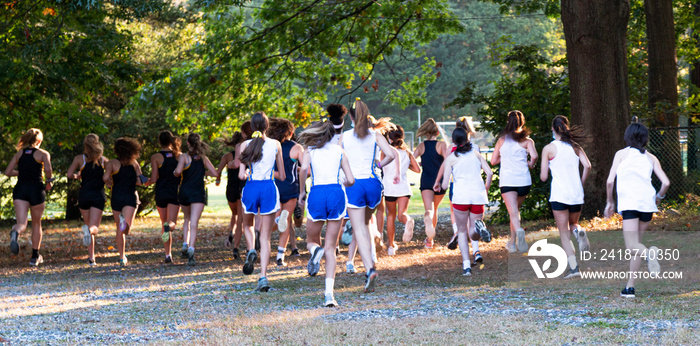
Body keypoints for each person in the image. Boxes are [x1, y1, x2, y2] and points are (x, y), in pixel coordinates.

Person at [604, 122, 669, 298]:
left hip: (630, 204)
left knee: (632, 246)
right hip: (647, 205)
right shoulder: (651, 158)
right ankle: (630, 287)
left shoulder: (621, 154)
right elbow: (666, 183)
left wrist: (610, 202)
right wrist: (659, 197)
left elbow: (610, 181)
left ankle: (650, 254)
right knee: (636, 246)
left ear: (627, 137)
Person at [340, 98, 397, 293]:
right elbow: (392, 155)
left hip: (354, 184)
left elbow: (338, 159)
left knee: (359, 230)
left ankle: (370, 269)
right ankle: (374, 244)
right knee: (366, 223)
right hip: (373, 184)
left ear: (351, 116)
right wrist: (378, 166)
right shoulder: (375, 135)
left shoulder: (345, 136)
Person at [298, 120, 355, 307]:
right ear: (332, 135)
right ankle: (329, 295)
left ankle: (315, 251)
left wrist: (301, 192)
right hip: (336, 194)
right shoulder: (340, 151)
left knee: (311, 240)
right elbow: (351, 180)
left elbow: (304, 170)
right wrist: (344, 182)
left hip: (317, 193)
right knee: (331, 248)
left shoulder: (310, 151)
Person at [239, 112, 286, 292]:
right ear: (267, 126)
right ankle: (263, 277)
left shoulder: (245, 145)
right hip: (268, 188)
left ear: (252, 126)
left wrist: (249, 173)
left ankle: (251, 248)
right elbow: (282, 175)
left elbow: (240, 174)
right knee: (265, 237)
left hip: (251, 187)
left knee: (247, 225)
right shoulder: (276, 145)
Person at [540, 116, 591, 278]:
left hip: (559, 195)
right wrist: (581, 182)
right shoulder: (575, 146)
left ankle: (574, 268)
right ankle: (579, 232)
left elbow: (543, 177)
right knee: (573, 224)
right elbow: (588, 166)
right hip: (576, 193)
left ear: (553, 129)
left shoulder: (549, 148)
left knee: (563, 233)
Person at [440, 127, 493, 276]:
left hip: (460, 197)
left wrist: (441, 186)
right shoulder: (475, 154)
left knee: (462, 231)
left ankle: (466, 266)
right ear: (467, 139)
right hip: (477, 195)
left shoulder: (451, 158)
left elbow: (444, 185)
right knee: (472, 231)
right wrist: (485, 189)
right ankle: (478, 229)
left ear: (453, 140)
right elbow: (489, 173)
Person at [490, 110, 538, 253]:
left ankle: (518, 231)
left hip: (508, 182)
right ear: (522, 123)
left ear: (507, 122)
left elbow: (493, 161)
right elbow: (534, 156)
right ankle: (512, 243)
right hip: (524, 181)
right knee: (515, 212)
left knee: (513, 212)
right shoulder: (527, 141)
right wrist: (530, 163)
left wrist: (503, 158)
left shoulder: (502, 140)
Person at [5, 129, 53, 266]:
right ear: (39, 141)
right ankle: (35, 257)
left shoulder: (19, 153)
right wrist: (49, 182)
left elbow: (8, 172)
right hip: (36, 190)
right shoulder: (43, 154)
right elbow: (48, 170)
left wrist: (21, 172)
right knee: (36, 223)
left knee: (22, 223)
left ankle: (16, 232)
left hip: (20, 190)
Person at [174, 133, 218, 266]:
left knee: (186, 219)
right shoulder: (204, 158)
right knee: (194, 222)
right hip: (198, 193)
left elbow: (178, 172)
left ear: (188, 143)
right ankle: (192, 249)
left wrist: (174, 172)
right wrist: (203, 172)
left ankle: (185, 244)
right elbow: (216, 173)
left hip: (185, 192)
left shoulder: (184, 157)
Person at [267, 118, 304, 266]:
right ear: (290, 132)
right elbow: (305, 167)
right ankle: (280, 257)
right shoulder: (296, 147)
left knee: (274, 222)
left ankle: (276, 220)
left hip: (274, 186)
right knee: (287, 222)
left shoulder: (270, 146)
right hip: (290, 186)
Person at [67, 134, 107, 266]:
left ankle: (91, 257)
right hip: (98, 196)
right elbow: (110, 175)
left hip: (84, 195)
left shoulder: (80, 159)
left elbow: (69, 174)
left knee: (89, 223)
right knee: (94, 228)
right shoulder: (103, 160)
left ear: (85, 145)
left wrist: (78, 176)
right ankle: (89, 234)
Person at [103, 138, 144, 266]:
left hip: (116, 196)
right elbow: (140, 179)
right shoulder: (134, 163)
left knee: (119, 230)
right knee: (126, 229)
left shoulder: (111, 163)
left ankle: (122, 257)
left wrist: (109, 182)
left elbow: (105, 177)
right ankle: (124, 223)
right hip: (130, 196)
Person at [382, 125, 420, 255]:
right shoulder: (407, 152)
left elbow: (381, 165)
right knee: (402, 214)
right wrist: (405, 165)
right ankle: (408, 221)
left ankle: (391, 247)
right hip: (403, 186)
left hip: (390, 187)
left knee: (391, 216)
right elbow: (417, 169)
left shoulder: (385, 151)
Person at [145, 131, 181, 264]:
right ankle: (169, 226)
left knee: (163, 222)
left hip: (161, 192)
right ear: (172, 141)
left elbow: (154, 178)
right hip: (174, 192)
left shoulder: (155, 157)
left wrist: (145, 181)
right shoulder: (179, 156)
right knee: (171, 223)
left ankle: (167, 254)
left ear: (159, 141)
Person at [413, 118, 448, 248]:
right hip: (439, 181)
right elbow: (447, 161)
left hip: (426, 180)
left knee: (429, 209)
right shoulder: (442, 145)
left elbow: (412, 160)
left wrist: (422, 164)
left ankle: (429, 235)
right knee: (436, 208)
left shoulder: (421, 146)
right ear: (437, 132)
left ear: (425, 133)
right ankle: (429, 239)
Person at [217, 125, 249, 260]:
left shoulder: (227, 156)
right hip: (243, 184)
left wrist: (217, 179)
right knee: (242, 218)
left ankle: (232, 232)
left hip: (231, 188)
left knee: (235, 214)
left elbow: (218, 172)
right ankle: (237, 247)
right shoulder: (251, 149)